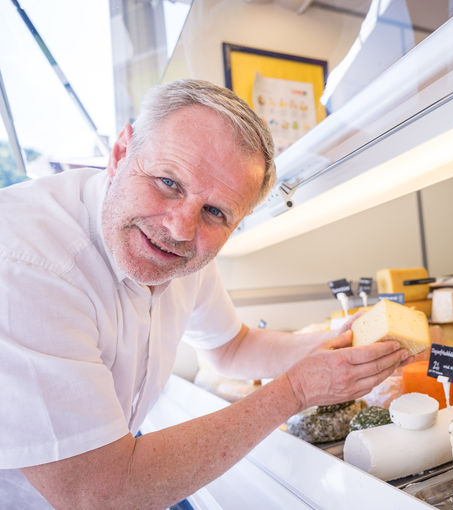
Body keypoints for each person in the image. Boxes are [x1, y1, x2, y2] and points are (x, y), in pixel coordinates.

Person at [0, 79, 410, 508]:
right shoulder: (27, 264)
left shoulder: (187, 252)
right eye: (167, 182)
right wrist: (295, 391)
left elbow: (231, 348)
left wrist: (334, 343)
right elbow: (99, 494)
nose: (179, 228)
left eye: (215, 212)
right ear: (121, 154)